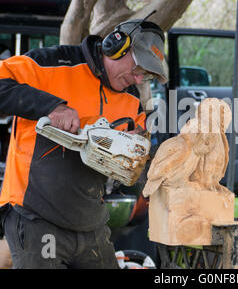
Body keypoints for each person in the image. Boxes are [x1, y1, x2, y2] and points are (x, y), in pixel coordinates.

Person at [0, 18, 168, 269]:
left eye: (144, 75)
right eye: (137, 70)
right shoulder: (52, 63)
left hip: (90, 224)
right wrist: (51, 106)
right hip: (35, 216)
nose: (138, 80)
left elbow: (140, 152)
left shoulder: (131, 100)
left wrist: (139, 151)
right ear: (116, 46)